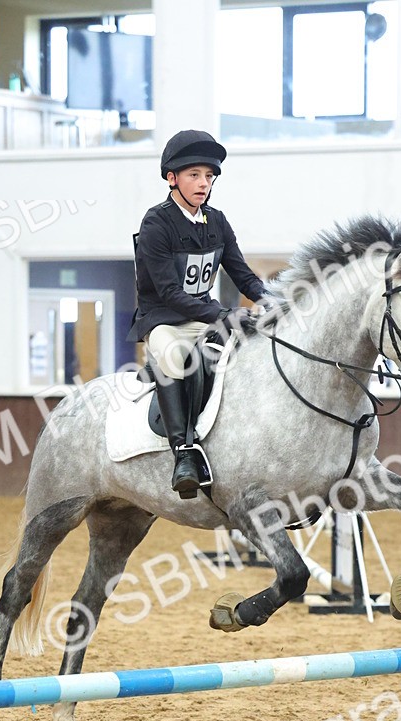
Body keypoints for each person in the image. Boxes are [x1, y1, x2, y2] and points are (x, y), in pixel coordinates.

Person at [129, 129, 268, 498]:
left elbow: (242, 273)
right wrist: (221, 314)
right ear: (172, 178)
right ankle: (184, 453)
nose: (203, 183)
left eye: (209, 176)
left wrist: (272, 300)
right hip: (162, 319)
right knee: (175, 359)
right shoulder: (156, 224)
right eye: (194, 175)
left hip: (203, 317)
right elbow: (170, 293)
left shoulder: (217, 221)